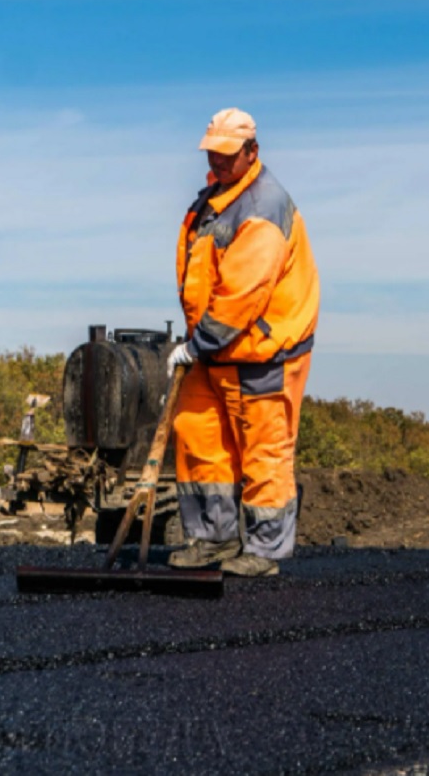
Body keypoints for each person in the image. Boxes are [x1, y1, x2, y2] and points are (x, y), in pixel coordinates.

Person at [167, 108, 320, 577]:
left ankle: (264, 551)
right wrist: (202, 344)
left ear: (252, 152)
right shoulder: (214, 198)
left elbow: (241, 295)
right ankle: (212, 538)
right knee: (198, 435)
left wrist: (198, 343)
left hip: (261, 352)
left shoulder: (262, 207)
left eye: (227, 155)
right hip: (214, 349)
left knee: (264, 451)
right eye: (212, 153)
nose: (217, 161)